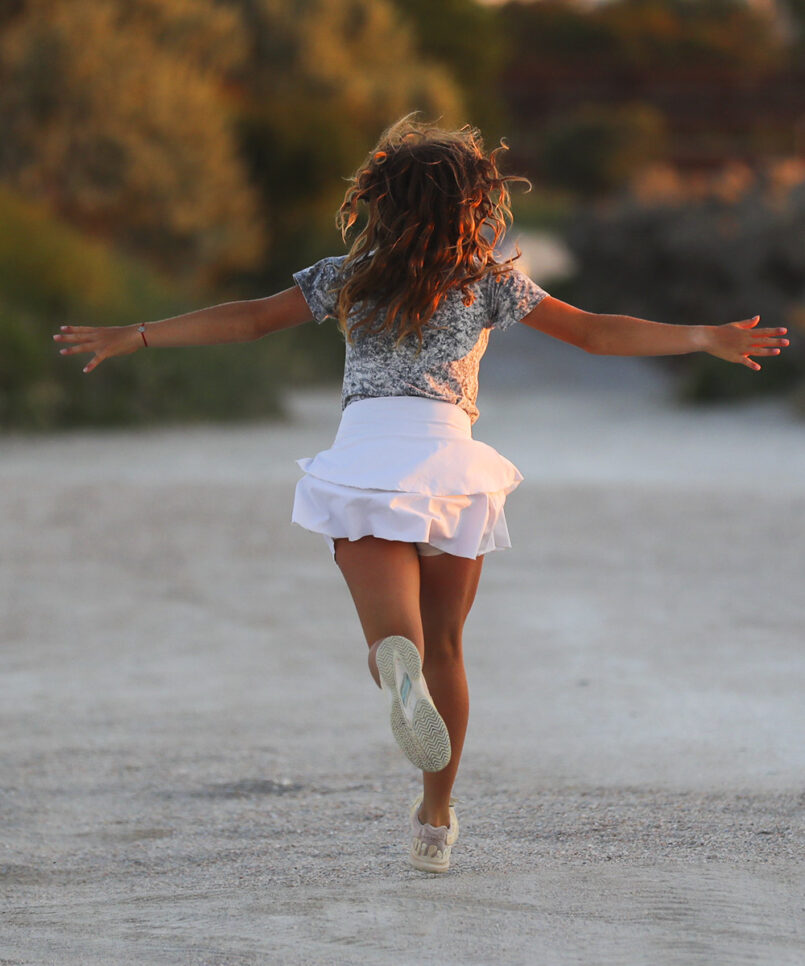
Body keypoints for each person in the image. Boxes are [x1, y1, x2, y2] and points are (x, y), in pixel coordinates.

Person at [53, 112, 789, 874]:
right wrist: (702, 336)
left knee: (394, 642)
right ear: (476, 205)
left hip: (368, 458)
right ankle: (435, 818)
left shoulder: (347, 276)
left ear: (382, 200)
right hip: (450, 466)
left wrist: (139, 332)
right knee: (446, 649)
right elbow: (596, 333)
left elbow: (248, 322)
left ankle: (390, 662)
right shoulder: (489, 282)